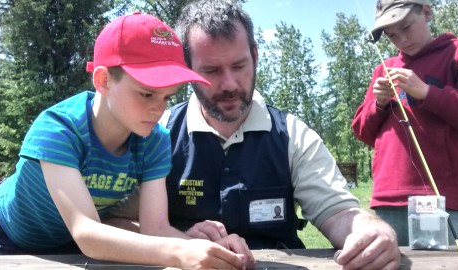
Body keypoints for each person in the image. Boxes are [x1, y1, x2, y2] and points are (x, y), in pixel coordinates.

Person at [109, 1, 401, 269]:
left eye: (239, 66)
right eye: (211, 70)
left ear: (256, 55)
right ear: (187, 70)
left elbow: (339, 214)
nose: (229, 83)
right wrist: (179, 241)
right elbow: (110, 222)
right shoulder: (156, 133)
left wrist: (373, 233)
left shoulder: (293, 136)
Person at [0, 12, 255, 269]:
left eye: (167, 97)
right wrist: (181, 252)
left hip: (68, 245)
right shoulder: (59, 129)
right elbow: (87, 232)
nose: (158, 109)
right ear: (103, 80)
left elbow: (155, 229)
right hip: (7, 237)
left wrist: (208, 251)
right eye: (146, 94)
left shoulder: (154, 140)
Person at [352, 0, 458, 246]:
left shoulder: (457, 52)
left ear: (427, 13)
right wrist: (378, 104)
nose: (401, 40)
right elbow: (362, 131)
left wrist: (428, 93)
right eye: (391, 36)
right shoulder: (384, 69)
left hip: (447, 197)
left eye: (406, 27)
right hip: (390, 198)